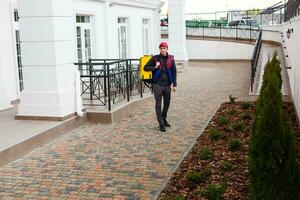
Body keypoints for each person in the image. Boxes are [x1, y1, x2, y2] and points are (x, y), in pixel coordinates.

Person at [144, 42, 177, 132]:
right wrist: (155, 67)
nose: (162, 50)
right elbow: (145, 67)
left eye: (164, 48)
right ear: (159, 49)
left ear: (167, 49)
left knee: (167, 103)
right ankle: (161, 123)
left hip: (167, 85)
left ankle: (164, 118)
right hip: (157, 84)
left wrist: (174, 84)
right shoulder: (155, 58)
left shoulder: (171, 58)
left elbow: (174, 71)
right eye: (161, 48)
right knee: (158, 104)